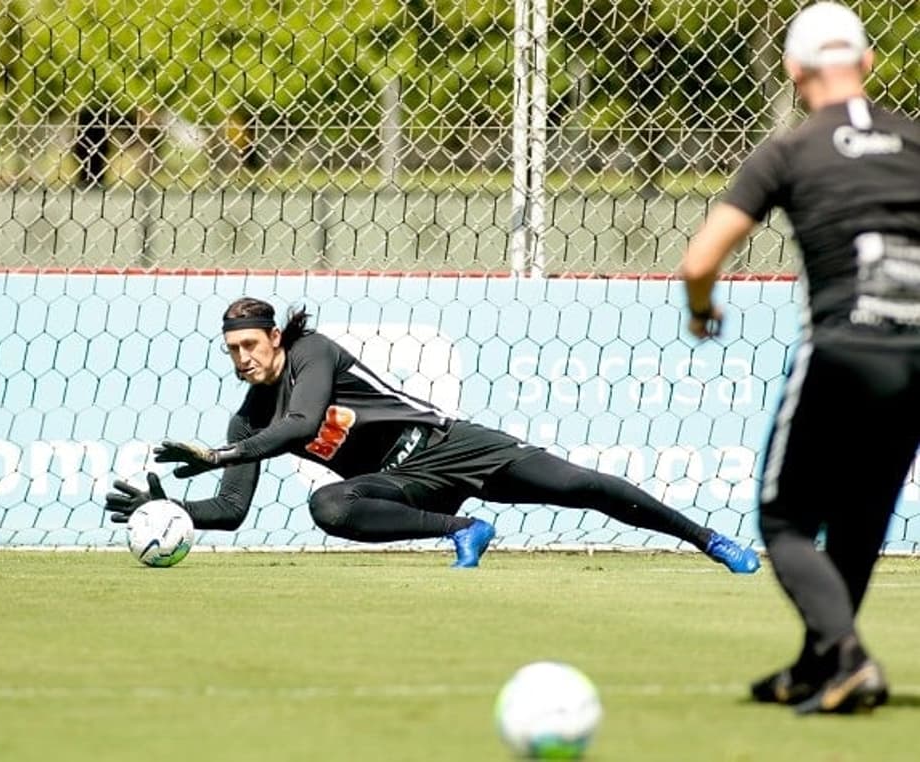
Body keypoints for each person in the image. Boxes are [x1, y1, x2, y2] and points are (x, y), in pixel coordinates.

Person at [105, 296, 760, 575]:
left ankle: (708, 539)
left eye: (250, 344)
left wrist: (219, 454)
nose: (242, 357)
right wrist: (169, 508)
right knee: (328, 504)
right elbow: (231, 509)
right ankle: (463, 530)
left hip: (447, 444)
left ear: (275, 337)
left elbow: (300, 425)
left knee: (580, 486)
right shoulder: (247, 420)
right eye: (232, 350)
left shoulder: (313, 352)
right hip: (402, 484)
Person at [680, 1, 920, 715]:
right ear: (867, 63)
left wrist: (702, 310)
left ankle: (847, 658)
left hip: (846, 349)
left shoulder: (790, 150)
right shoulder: (915, 141)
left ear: (793, 70)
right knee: (860, 520)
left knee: (784, 520)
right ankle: (819, 665)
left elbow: (700, 261)